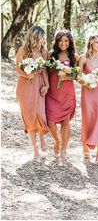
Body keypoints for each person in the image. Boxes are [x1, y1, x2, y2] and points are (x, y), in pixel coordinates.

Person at [16, 25, 49, 160]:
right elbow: (18, 69)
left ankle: (42, 139)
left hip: (39, 83)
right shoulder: (23, 50)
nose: (43, 39)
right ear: (35, 36)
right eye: (41, 37)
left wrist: (47, 85)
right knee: (29, 115)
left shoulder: (43, 51)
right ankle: (34, 149)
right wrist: (27, 75)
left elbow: (45, 70)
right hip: (26, 86)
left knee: (40, 113)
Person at [45, 30, 78, 160]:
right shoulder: (51, 55)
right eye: (60, 40)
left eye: (65, 41)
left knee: (66, 122)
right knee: (50, 121)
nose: (63, 43)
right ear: (56, 41)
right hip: (52, 93)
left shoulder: (74, 57)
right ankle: (57, 140)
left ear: (70, 42)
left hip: (67, 93)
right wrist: (46, 85)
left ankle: (64, 149)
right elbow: (45, 73)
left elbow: (77, 75)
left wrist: (67, 75)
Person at [79, 35, 98, 165]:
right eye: (96, 42)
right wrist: (86, 82)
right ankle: (85, 146)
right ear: (90, 43)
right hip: (88, 92)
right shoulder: (83, 58)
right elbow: (78, 75)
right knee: (88, 119)